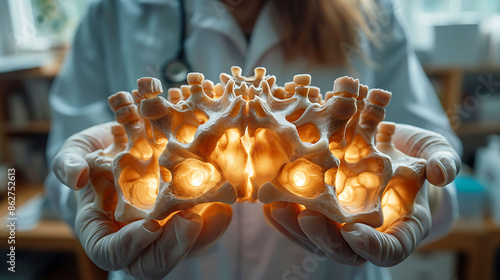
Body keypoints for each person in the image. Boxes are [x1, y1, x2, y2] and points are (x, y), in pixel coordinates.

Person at [45, 0, 462, 279]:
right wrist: (94, 185)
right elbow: (68, 172)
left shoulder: (373, 12)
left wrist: (422, 187)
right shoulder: (113, 13)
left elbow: (428, 160)